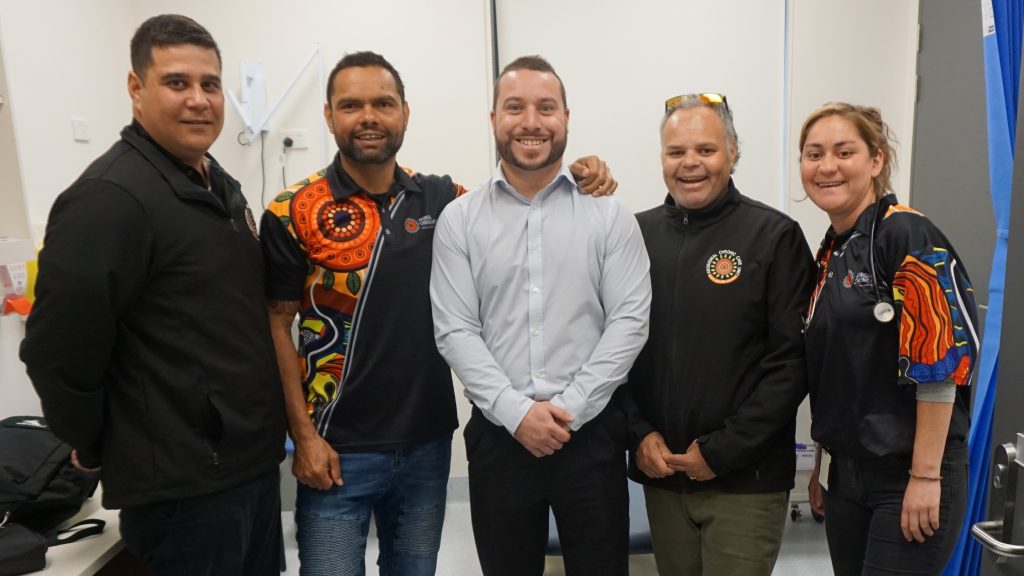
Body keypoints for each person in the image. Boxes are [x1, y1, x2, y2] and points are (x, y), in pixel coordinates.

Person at [260, 51, 617, 575]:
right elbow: (277, 325)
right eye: (351, 104)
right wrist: (304, 438)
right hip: (337, 449)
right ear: (329, 115)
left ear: (404, 112)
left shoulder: (443, 201)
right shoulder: (291, 210)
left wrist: (583, 172)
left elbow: (522, 200)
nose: (369, 117)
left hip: (426, 445)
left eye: (383, 103)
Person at [19, 14, 285, 576]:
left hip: (246, 467)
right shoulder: (109, 200)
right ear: (136, 89)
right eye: (177, 82)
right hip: (183, 488)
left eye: (210, 85)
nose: (199, 100)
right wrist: (93, 444)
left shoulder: (217, 187)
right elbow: (57, 352)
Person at [429, 55, 652, 576]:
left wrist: (567, 410)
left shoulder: (609, 214)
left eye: (545, 107)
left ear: (566, 118)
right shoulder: (459, 221)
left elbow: (629, 321)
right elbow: (455, 329)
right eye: (515, 107)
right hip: (498, 438)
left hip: (591, 435)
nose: (531, 121)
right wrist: (517, 413)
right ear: (493, 120)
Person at [617, 93, 813, 576]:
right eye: (676, 152)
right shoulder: (633, 236)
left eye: (705, 150)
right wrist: (638, 434)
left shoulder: (774, 237)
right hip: (662, 476)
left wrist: (721, 452)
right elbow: (611, 351)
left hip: (744, 482)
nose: (690, 164)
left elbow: (791, 364)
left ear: (733, 152)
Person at [800, 102, 979, 576]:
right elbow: (837, 368)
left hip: (907, 473)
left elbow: (940, 366)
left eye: (844, 152)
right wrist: (822, 465)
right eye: (813, 154)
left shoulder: (908, 235)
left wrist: (924, 476)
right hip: (847, 474)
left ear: (876, 161)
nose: (827, 166)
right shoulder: (833, 250)